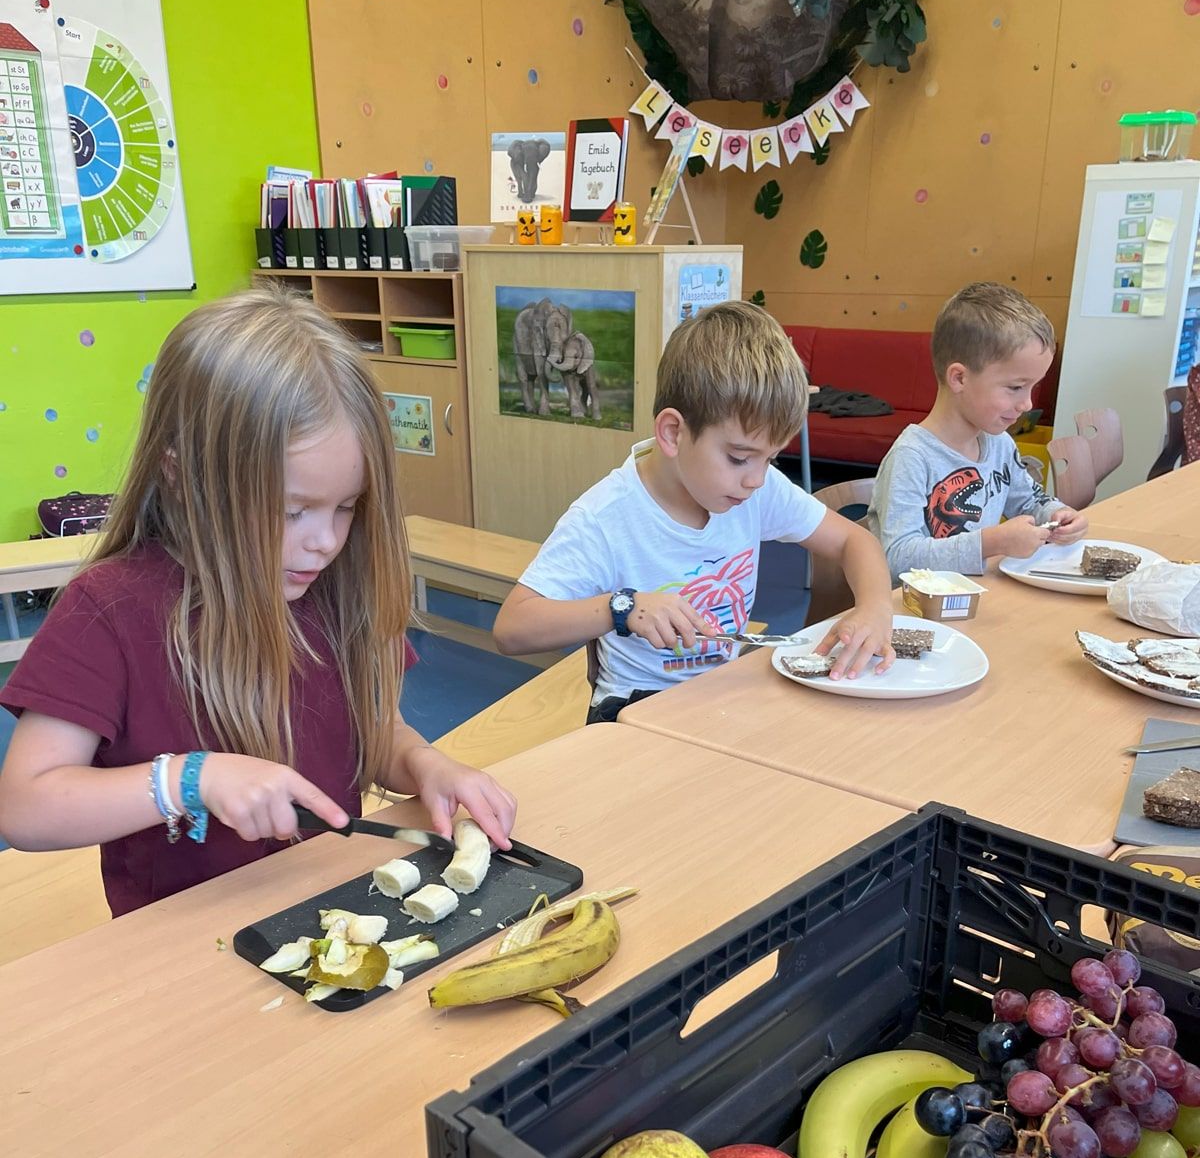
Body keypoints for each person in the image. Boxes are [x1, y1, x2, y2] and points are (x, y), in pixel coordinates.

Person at [0, 286, 515, 916]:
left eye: (347, 507)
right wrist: (192, 780)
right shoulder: (106, 610)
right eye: (292, 511)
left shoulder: (337, 586)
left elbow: (372, 729)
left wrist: (425, 764)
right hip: (182, 943)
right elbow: (27, 808)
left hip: (328, 908)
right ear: (182, 480)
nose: (325, 541)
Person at [493, 300, 895, 722]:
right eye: (740, 458)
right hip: (635, 709)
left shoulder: (756, 489)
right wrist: (621, 608)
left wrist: (874, 607)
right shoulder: (607, 516)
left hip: (721, 696)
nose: (756, 479)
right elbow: (512, 628)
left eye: (771, 459)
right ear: (672, 433)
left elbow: (855, 540)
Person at [864, 282, 1088, 582]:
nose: (1027, 403)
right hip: (916, 610)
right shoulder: (912, 457)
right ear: (959, 378)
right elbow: (898, 558)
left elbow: (1029, 501)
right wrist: (991, 543)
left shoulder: (1000, 444)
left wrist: (1058, 516)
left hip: (975, 598)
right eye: (1015, 387)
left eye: (1033, 387)